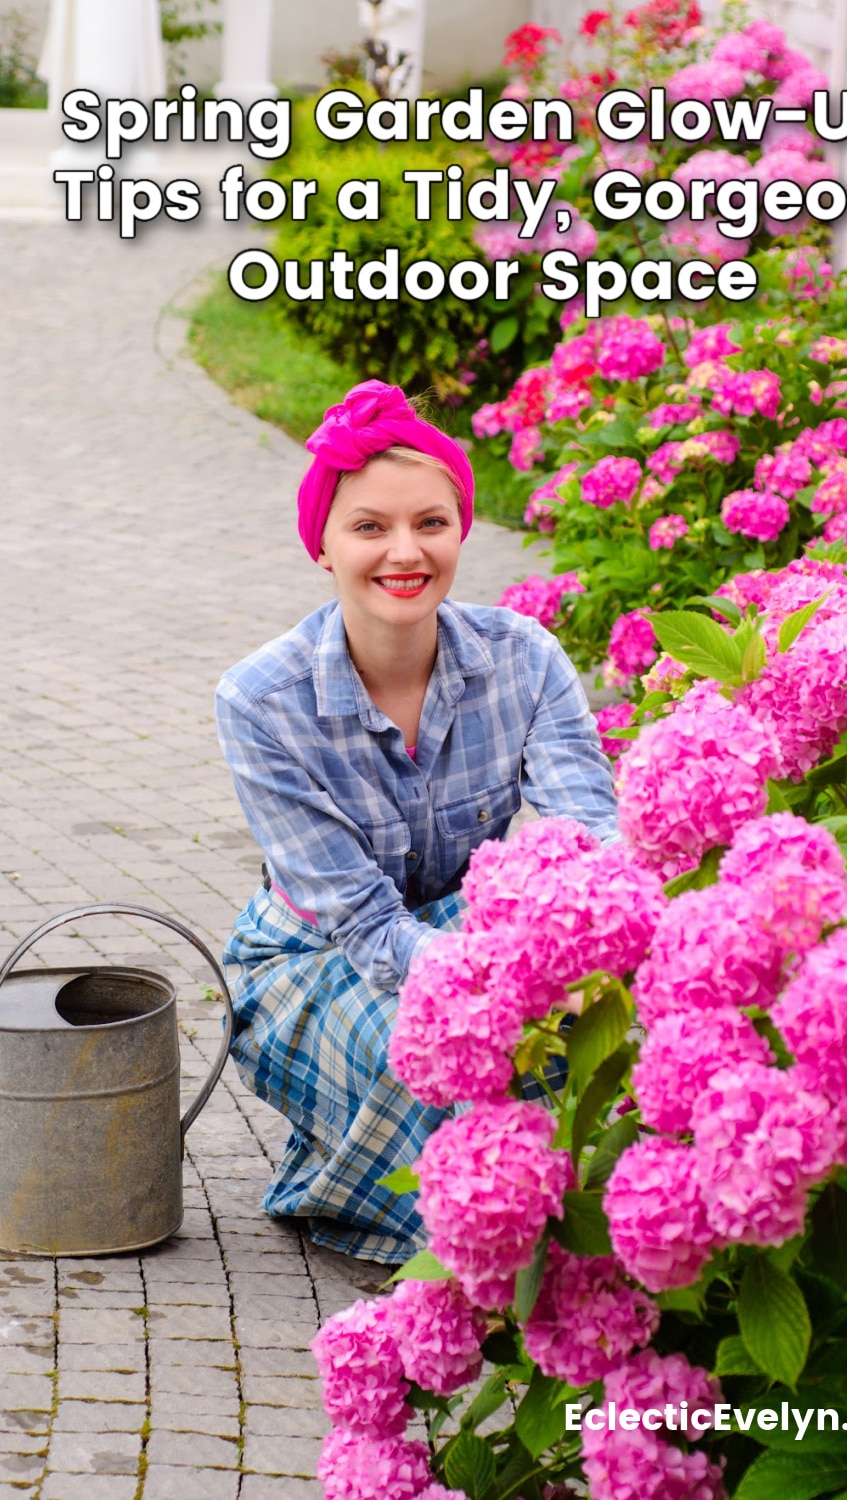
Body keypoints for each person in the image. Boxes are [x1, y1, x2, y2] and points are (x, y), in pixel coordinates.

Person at [216, 380, 618, 1265]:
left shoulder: (524, 657)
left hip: (469, 933)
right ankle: (387, 1199)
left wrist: (590, 955)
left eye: (431, 523)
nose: (406, 551)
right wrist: (500, 988)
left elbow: (591, 831)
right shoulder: (261, 699)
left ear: (462, 530)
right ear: (322, 545)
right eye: (369, 527)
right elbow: (359, 919)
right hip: (312, 960)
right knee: (437, 1062)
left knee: (585, 1048)